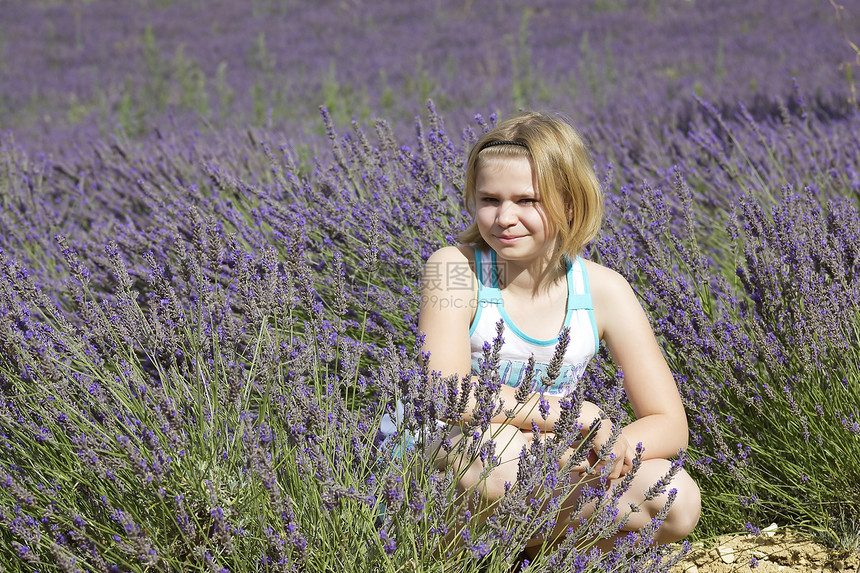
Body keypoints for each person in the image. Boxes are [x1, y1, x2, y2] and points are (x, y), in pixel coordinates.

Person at [416, 111, 701, 557]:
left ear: (570, 202)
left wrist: (615, 445)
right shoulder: (454, 269)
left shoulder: (604, 290)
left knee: (674, 499)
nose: (505, 217)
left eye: (528, 200)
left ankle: (538, 558)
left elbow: (670, 423)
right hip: (453, 457)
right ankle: (453, 559)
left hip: (551, 459)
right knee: (496, 459)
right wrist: (579, 417)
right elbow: (445, 393)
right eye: (489, 199)